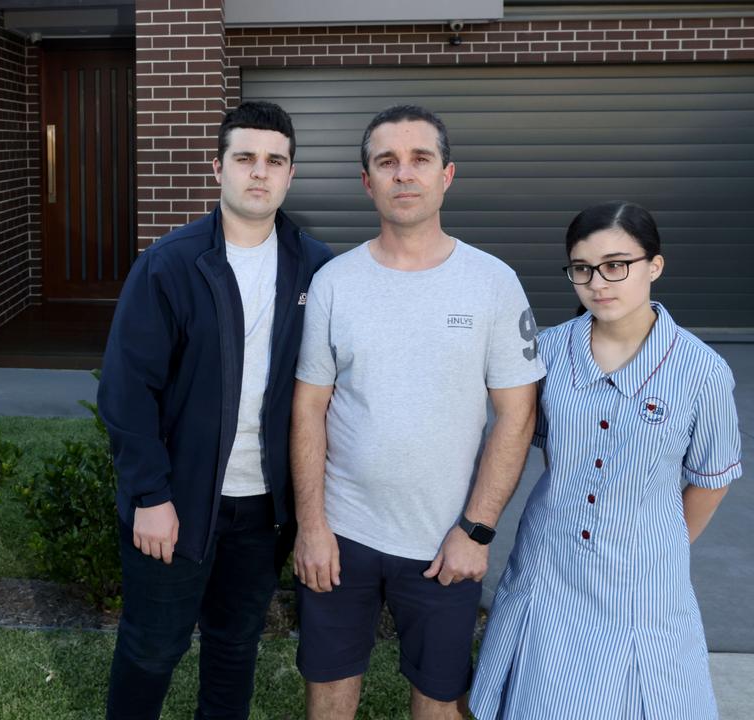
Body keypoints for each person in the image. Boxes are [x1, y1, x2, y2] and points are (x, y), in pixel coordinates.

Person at [291, 104, 545, 720]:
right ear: (367, 180)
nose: (404, 174)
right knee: (328, 694)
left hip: (444, 544)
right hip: (342, 536)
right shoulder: (335, 282)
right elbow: (309, 407)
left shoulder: (493, 282)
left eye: (419, 159)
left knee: (439, 702)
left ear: (447, 175)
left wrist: (477, 530)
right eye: (387, 161)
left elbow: (517, 416)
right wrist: (312, 527)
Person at [100, 100, 333, 719]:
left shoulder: (320, 268)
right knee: (152, 648)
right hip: (177, 503)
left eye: (274, 161)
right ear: (218, 168)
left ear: (290, 174)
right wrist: (150, 495)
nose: (260, 172)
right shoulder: (169, 265)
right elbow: (127, 392)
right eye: (245, 158)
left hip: (265, 511)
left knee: (235, 648)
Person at [469, 201, 741, 720]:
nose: (599, 282)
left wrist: (661, 542)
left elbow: (710, 479)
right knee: (543, 699)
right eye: (582, 268)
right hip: (553, 564)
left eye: (617, 265)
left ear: (654, 266)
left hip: (645, 576)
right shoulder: (547, 352)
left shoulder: (701, 370)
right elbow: (514, 434)